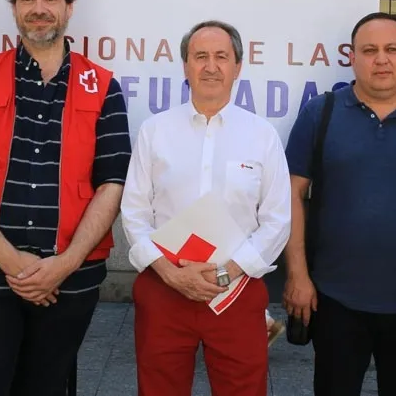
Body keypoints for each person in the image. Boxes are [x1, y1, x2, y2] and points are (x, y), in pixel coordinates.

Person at [0, 0, 132, 396]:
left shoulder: (102, 86)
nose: (38, 8)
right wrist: (15, 264)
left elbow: (113, 183)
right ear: (13, 6)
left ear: (69, 7)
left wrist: (61, 266)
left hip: (69, 281)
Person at [283, 12, 396, 396]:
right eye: (370, 50)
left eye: (391, 50)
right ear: (352, 57)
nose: (381, 59)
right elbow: (291, 196)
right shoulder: (321, 113)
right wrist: (297, 276)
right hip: (334, 297)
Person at [120, 20, 292, 396]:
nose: (210, 66)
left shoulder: (262, 135)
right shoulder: (155, 130)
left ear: (238, 67)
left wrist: (228, 273)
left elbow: (277, 220)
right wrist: (169, 272)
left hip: (237, 289)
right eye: (200, 57)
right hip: (164, 286)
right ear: (185, 66)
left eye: (221, 57)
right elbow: (134, 212)